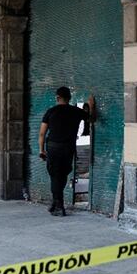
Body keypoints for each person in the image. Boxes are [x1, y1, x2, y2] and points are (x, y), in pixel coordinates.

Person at [37, 86, 94, 217]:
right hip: (68, 148)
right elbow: (91, 119)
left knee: (55, 175)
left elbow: (42, 134)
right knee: (62, 175)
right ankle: (55, 202)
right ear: (69, 98)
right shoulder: (76, 111)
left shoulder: (51, 112)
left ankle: (59, 205)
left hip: (53, 147)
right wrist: (91, 106)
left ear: (57, 98)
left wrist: (41, 150)